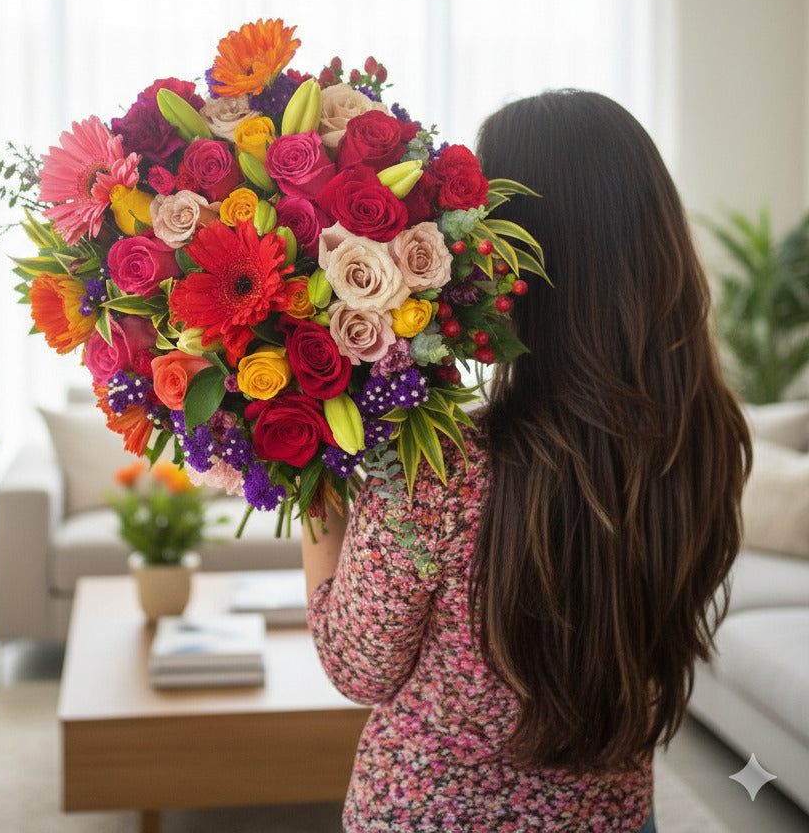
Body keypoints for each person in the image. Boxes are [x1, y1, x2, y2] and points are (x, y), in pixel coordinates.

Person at [303, 89, 751, 832]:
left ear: (516, 255)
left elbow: (356, 666)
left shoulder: (441, 470)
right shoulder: (701, 442)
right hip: (611, 815)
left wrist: (321, 504)